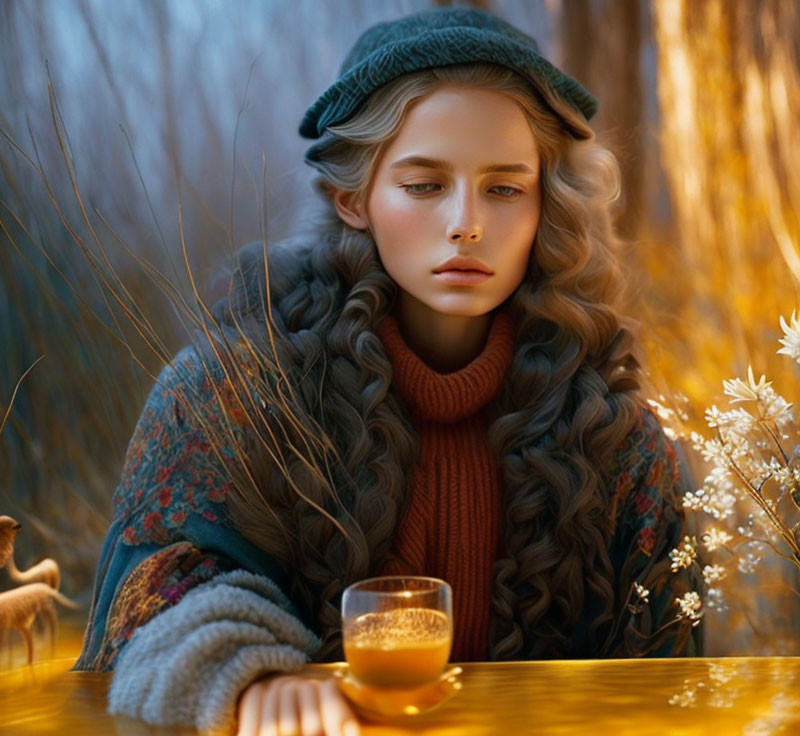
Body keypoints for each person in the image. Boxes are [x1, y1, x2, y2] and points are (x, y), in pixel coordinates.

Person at [73, 6, 703, 736]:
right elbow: (152, 595)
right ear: (354, 198)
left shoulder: (617, 438)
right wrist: (246, 672)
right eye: (424, 185)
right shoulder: (233, 395)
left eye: (504, 188)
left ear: (543, 206)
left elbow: (673, 686)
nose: (467, 221)